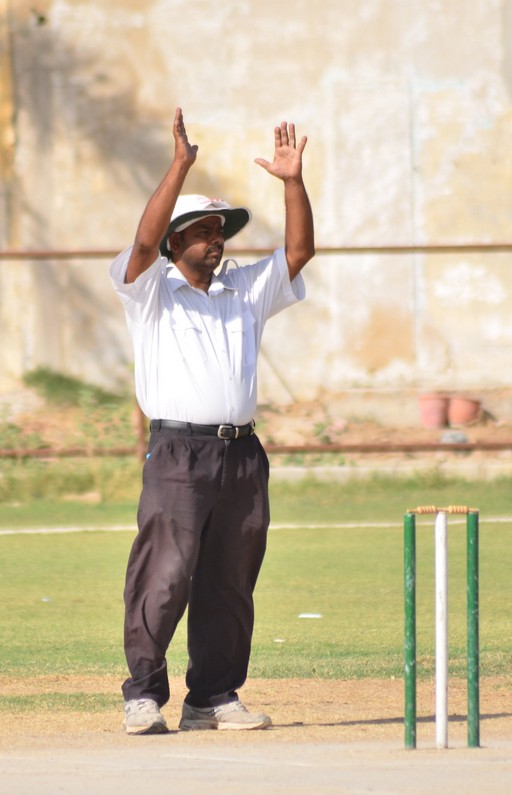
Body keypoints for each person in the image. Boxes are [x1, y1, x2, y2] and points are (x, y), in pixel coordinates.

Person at [108, 108, 314, 735]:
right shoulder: (149, 291)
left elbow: (299, 252)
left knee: (230, 580)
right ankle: (143, 695)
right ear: (176, 243)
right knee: (165, 574)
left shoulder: (243, 290)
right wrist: (180, 167)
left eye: (220, 231)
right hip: (178, 452)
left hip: (241, 454)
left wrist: (293, 183)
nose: (215, 240)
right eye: (201, 231)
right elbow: (143, 244)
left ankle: (213, 697)